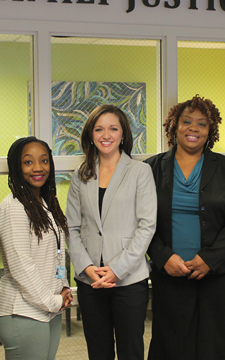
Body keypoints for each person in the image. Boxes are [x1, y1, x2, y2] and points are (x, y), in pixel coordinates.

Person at [145, 95, 225, 360]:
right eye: (187, 121)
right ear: (174, 126)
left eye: (202, 124)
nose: (194, 128)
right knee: (173, 343)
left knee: (221, 344)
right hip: (171, 274)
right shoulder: (151, 168)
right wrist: (162, 257)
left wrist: (209, 259)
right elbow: (140, 222)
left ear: (210, 131)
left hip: (222, 276)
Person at [66, 104, 157, 360]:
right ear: (91, 135)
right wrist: (86, 267)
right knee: (98, 351)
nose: (106, 135)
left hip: (129, 280)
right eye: (99, 129)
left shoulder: (140, 172)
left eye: (113, 128)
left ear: (123, 134)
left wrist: (117, 269)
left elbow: (146, 226)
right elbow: (72, 227)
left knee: (131, 350)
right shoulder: (80, 175)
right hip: (91, 279)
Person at [0, 137, 73, 360]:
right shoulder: (14, 208)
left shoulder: (45, 203)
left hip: (47, 308)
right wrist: (54, 301)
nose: (38, 168)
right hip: (22, 311)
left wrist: (63, 287)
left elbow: (55, 254)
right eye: (28, 162)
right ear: (16, 167)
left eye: (44, 161)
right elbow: (22, 266)